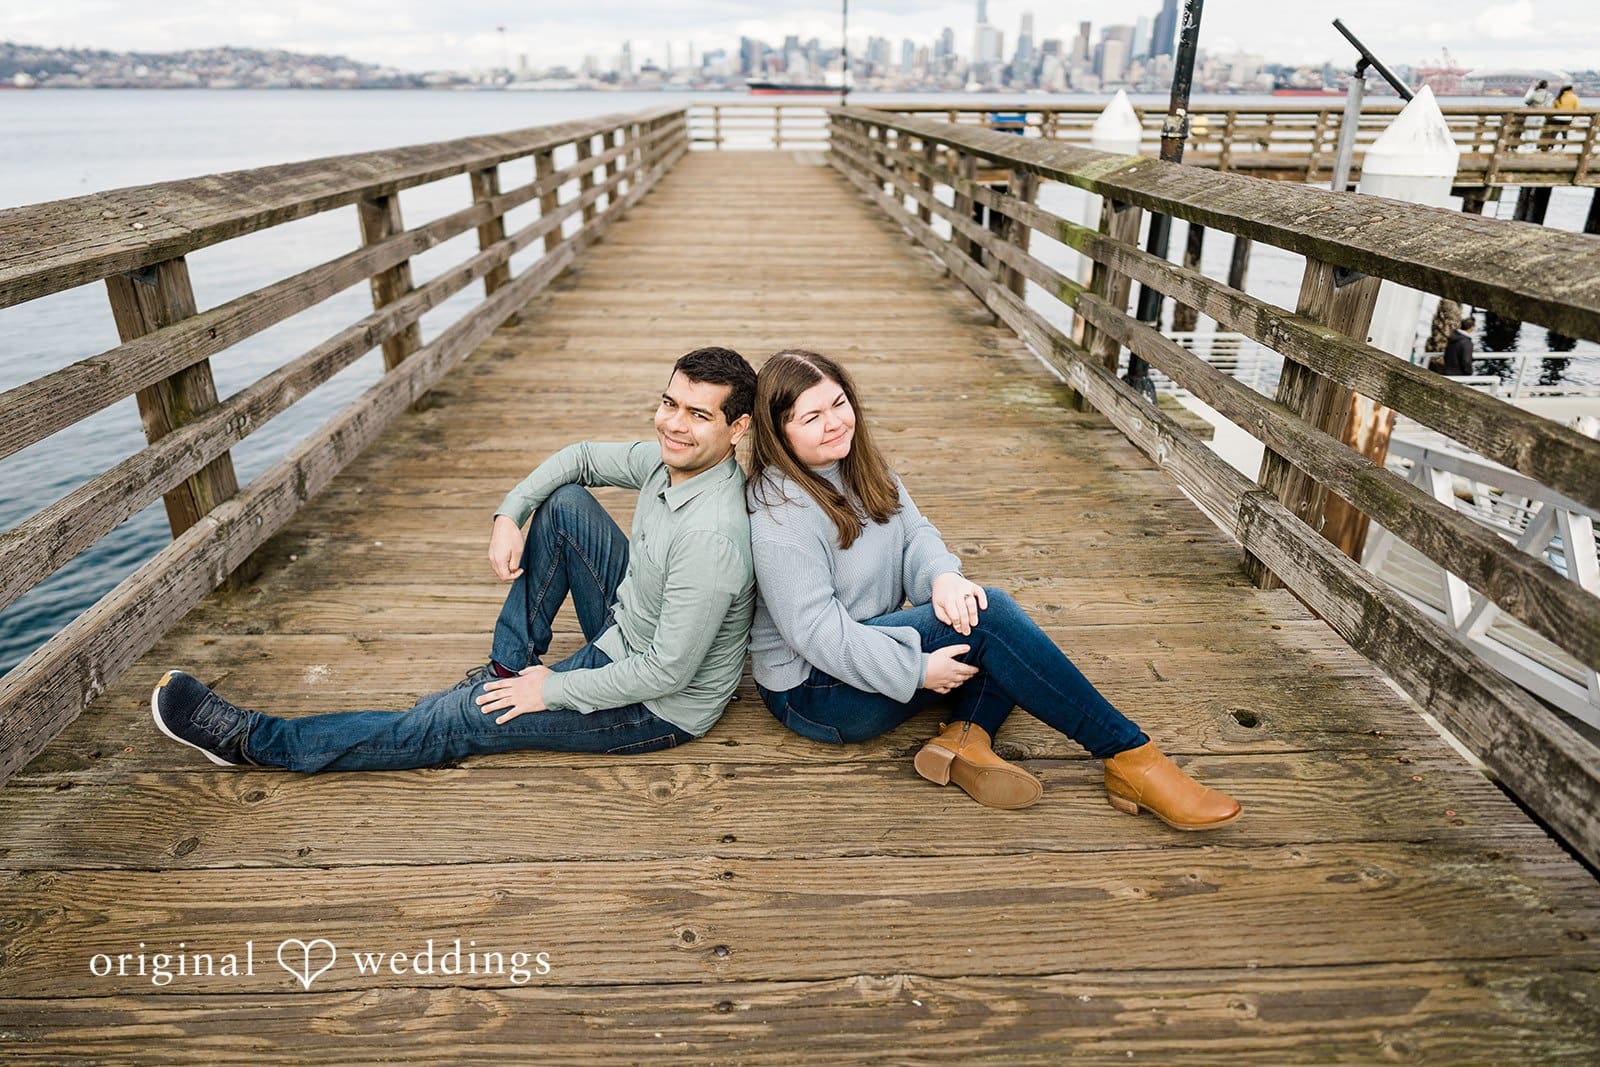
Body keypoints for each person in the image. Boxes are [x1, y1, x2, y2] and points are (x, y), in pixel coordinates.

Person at [151, 347, 759, 772]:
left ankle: (251, 741)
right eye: (670, 403)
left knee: (455, 721)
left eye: (698, 415)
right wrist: (509, 515)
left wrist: (553, 689)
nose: (674, 425)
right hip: (630, 626)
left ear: (737, 430)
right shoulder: (667, 463)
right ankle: (505, 666)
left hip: (656, 707)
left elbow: (666, 674)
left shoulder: (712, 540)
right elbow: (578, 457)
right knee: (565, 504)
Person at [744, 349, 1241, 829]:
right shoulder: (778, 515)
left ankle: (966, 740)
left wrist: (944, 577)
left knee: (991, 627)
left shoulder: (859, 463)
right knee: (995, 624)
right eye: (811, 418)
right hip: (815, 693)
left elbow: (914, 534)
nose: (835, 422)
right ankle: (1129, 756)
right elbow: (816, 633)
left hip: (869, 644)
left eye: (838, 403)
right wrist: (916, 669)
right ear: (779, 432)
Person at [1523, 79, 1552, 149]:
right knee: (1538, 130)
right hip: (1542, 115)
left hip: (1532, 114)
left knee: (1529, 129)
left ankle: (1528, 146)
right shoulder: (1549, 95)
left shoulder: (1535, 93)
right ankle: (1534, 146)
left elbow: (1527, 102)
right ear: (1546, 86)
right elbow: (1549, 106)